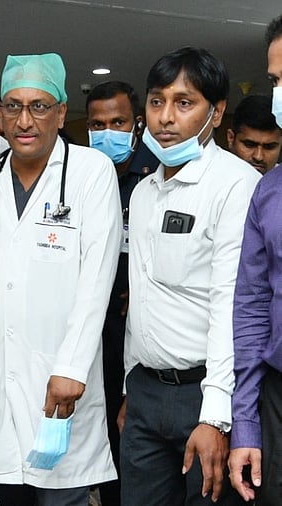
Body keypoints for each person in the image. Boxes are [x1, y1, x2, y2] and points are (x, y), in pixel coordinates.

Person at [0, 53, 119, 506]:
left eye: (39, 106)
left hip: (61, 379)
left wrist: (71, 368)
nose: (24, 120)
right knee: (3, 489)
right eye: (13, 106)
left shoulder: (91, 173)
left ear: (62, 112)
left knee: (61, 492)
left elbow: (97, 279)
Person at [122, 47, 261, 506]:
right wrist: (129, 386)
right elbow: (140, 296)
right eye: (157, 101)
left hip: (201, 395)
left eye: (184, 103)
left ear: (216, 112)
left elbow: (230, 304)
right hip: (144, 393)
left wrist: (217, 416)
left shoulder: (237, 185)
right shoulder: (143, 190)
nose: (165, 117)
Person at [84, 79, 159, 506]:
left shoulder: (153, 174)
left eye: (118, 122)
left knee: (127, 427)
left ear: (136, 124)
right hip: (92, 323)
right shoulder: (81, 174)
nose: (107, 131)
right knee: (97, 420)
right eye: (97, 124)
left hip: (136, 325)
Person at [228, 13, 282, 504]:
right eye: (275, 80)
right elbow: (251, 309)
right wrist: (245, 422)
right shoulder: (269, 192)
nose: (280, 94)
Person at [225, 94, 281, 174]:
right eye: (249, 145)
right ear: (231, 138)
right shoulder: (210, 178)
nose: (258, 157)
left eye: (269, 147)